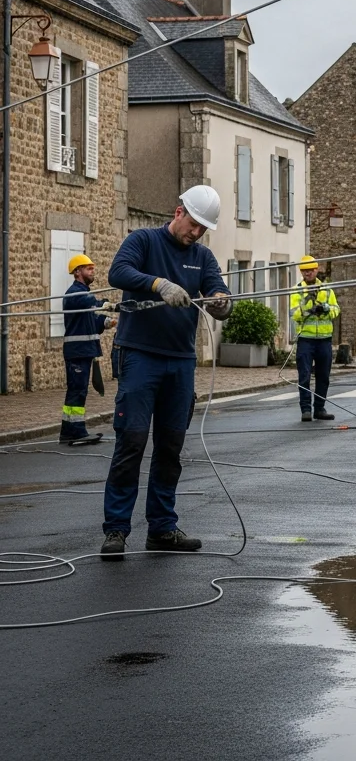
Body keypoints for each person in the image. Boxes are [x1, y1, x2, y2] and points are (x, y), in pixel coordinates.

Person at [100, 185, 232, 560]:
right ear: (178, 213)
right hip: (140, 355)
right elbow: (119, 272)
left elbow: (218, 291)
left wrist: (221, 304)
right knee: (132, 441)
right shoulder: (143, 240)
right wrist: (159, 284)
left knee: (170, 447)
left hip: (180, 360)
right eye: (193, 224)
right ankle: (116, 529)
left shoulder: (203, 257)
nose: (196, 232)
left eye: (203, 229)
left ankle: (161, 528)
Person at [60, 254, 116, 446]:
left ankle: (68, 431)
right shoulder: (75, 294)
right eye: (88, 268)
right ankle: (77, 432)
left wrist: (106, 322)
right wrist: (106, 305)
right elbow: (90, 303)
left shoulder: (84, 295)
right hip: (77, 350)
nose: (92, 271)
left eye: (92, 268)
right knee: (78, 392)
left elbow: (90, 321)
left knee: (76, 391)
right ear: (77, 272)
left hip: (84, 351)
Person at [291, 255, 340, 422]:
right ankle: (305, 409)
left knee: (323, 376)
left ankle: (319, 408)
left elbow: (336, 309)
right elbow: (294, 314)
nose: (308, 273)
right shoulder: (297, 290)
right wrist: (308, 307)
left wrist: (326, 309)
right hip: (306, 338)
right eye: (304, 271)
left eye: (310, 270)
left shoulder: (327, 289)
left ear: (316, 270)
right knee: (304, 375)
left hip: (324, 339)